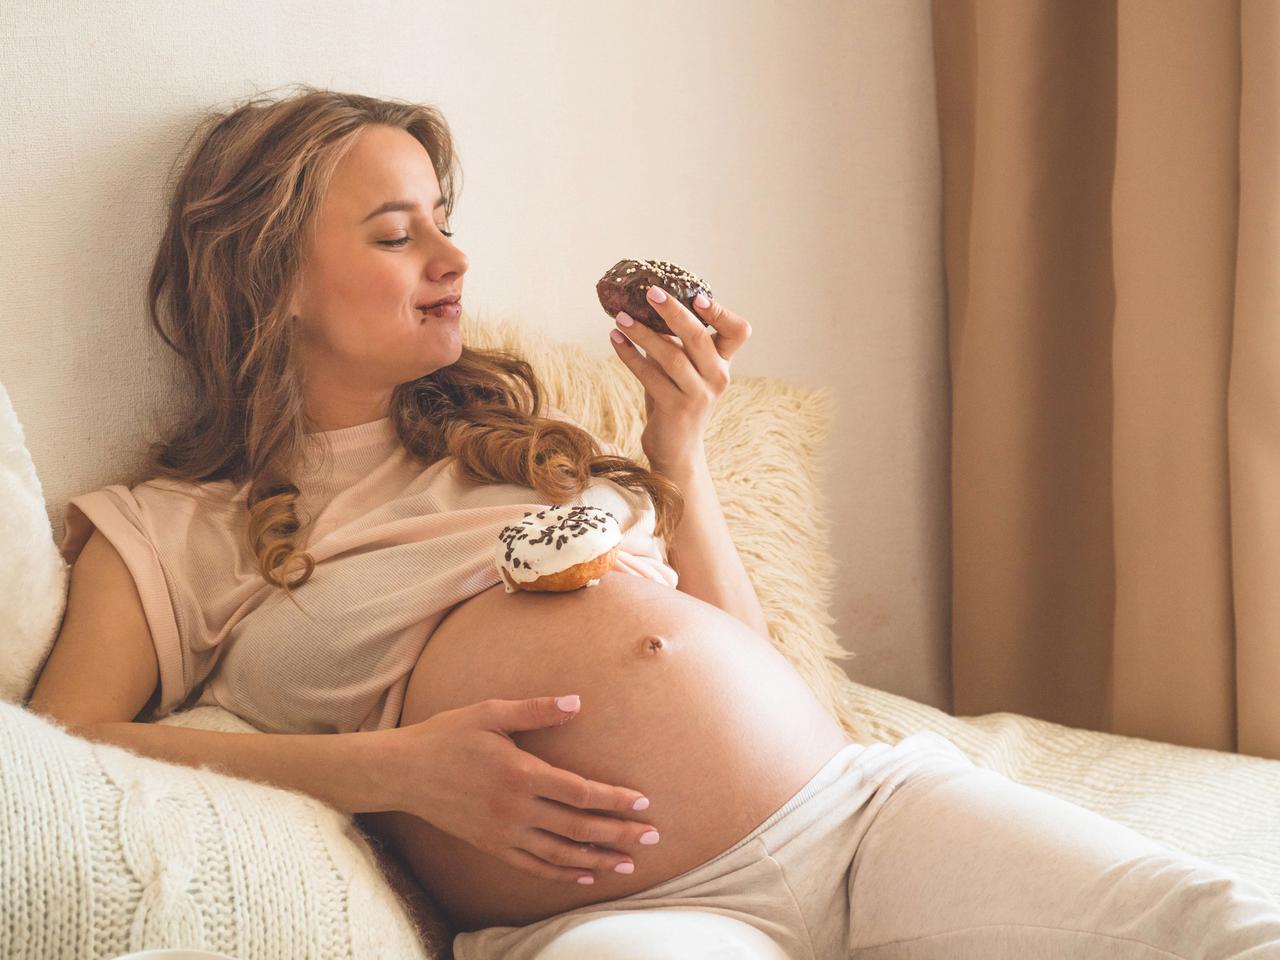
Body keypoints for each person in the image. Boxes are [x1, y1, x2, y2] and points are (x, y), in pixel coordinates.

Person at [27, 84, 1280, 960]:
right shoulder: (178, 530)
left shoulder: (514, 446)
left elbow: (739, 658)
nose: (450, 260)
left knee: (1221, 930)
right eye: (397, 234)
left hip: (858, 814)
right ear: (269, 277)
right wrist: (386, 773)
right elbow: (68, 742)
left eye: (445, 223)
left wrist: (676, 454)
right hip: (609, 921)